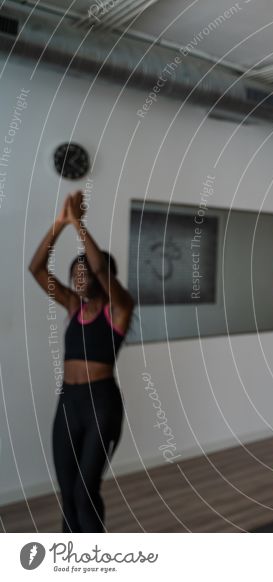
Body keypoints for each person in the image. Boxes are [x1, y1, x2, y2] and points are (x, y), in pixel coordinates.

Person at [28, 190, 134, 532]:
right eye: (75, 273)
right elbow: (37, 268)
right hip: (68, 403)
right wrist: (60, 224)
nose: (79, 278)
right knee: (68, 495)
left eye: (84, 272)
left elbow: (100, 266)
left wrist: (79, 224)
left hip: (101, 406)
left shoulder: (119, 309)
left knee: (85, 492)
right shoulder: (74, 308)